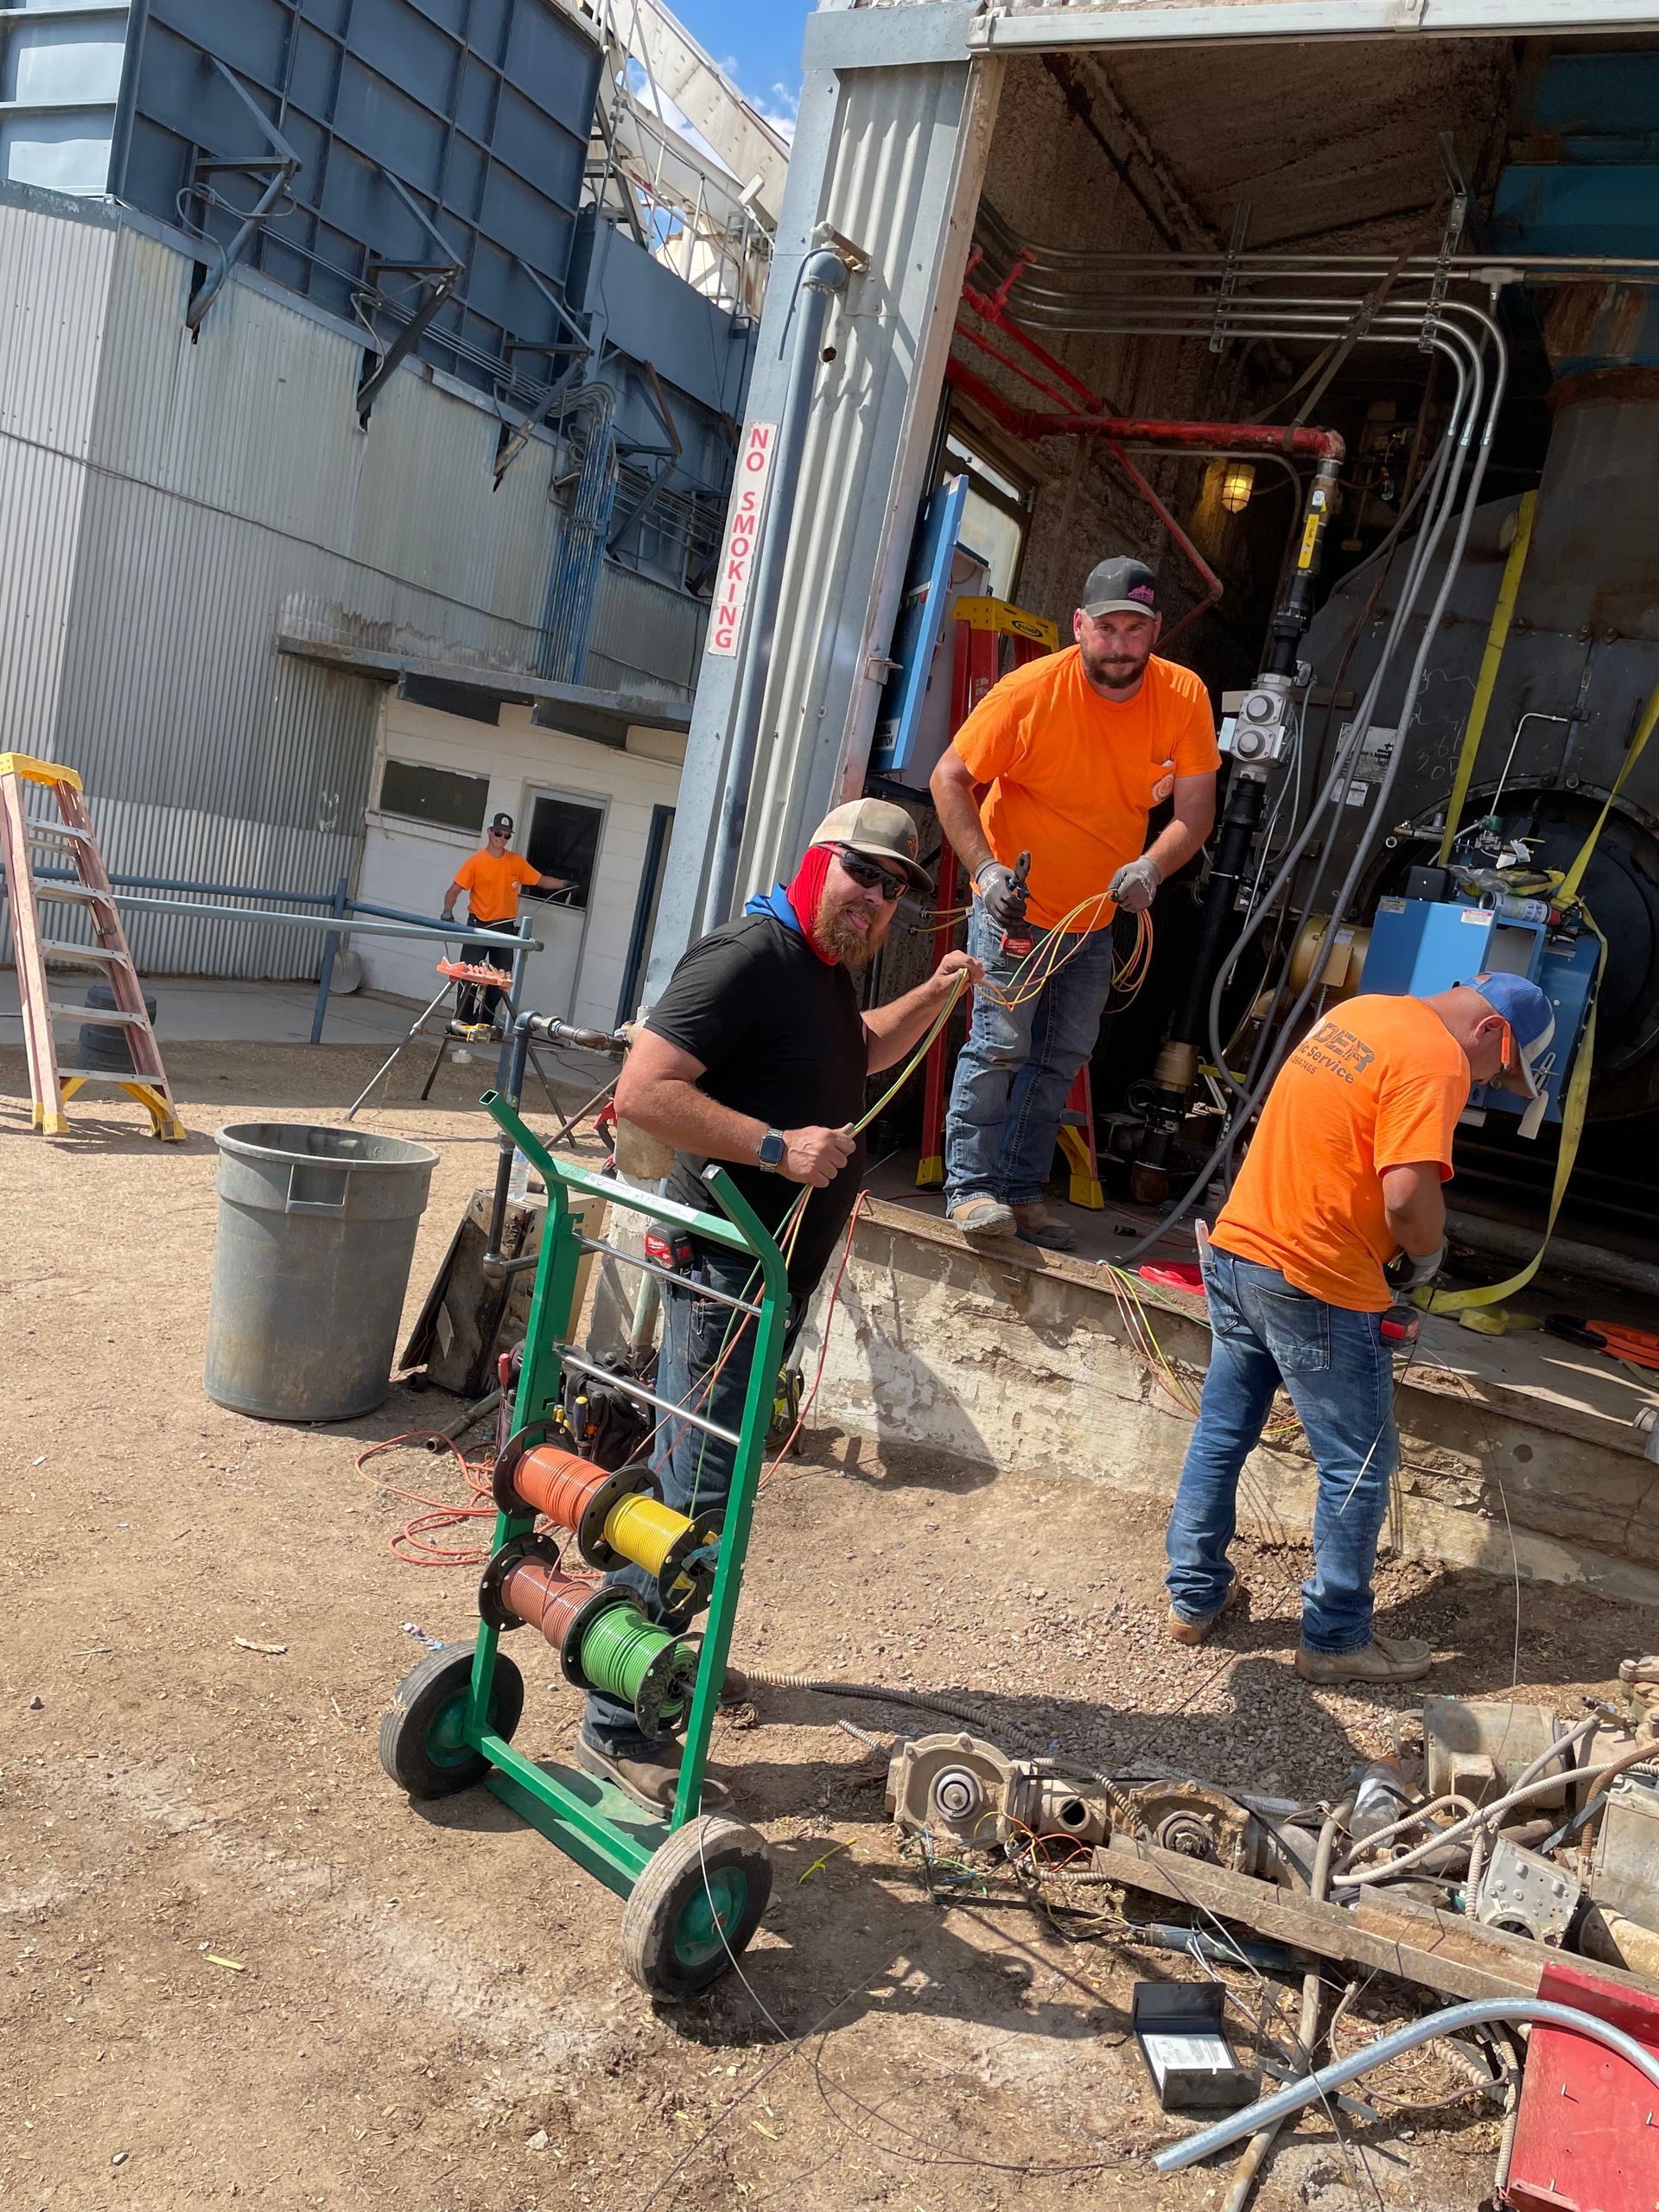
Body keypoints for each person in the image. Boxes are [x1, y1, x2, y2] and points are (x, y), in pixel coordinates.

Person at [582, 798, 981, 1810]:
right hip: (723, 1270)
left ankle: (665, 1659)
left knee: (702, 1480)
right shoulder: (748, 957)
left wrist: (936, 991)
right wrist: (775, 1147)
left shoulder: (824, 974)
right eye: (863, 873)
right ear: (815, 862)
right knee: (695, 1503)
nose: (877, 898)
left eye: (893, 889)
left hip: (765, 1278)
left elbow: (863, 1050)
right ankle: (622, 1723)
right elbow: (644, 1093)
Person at [1163, 971, 1557, 1685]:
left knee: (1223, 1433)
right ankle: (1336, 1640)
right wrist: (1429, 1256)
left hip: (1241, 1248)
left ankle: (1193, 1599)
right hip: (1318, 1279)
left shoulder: (1361, 1011)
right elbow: (1408, 1195)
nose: (1493, 1084)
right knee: (1357, 1467)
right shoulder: (1436, 1059)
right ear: (1491, 1031)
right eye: (1501, 1072)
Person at [931, 556, 1218, 1250]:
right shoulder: (1028, 692)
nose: (1120, 645)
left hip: (1093, 919)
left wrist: (1152, 865)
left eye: (1136, 630)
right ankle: (970, 1191)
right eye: (1108, 628)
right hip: (1018, 911)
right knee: (1000, 1045)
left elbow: (1196, 813)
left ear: (1154, 633)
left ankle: (1021, 1194)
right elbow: (951, 778)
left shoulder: (1182, 695)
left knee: (1062, 1055)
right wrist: (989, 871)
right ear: (1081, 625)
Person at [440, 812, 567, 1032]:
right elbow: (454, 890)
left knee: (501, 980)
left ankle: (485, 1023)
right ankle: (461, 1022)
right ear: (490, 832)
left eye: (506, 835)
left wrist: (566, 884)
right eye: (498, 833)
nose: (501, 838)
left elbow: (541, 881)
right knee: (467, 976)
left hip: (505, 929)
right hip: (478, 927)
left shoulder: (515, 862)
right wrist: (447, 912)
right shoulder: (476, 862)